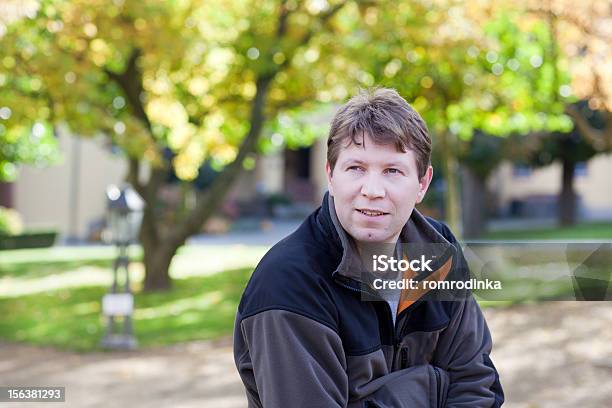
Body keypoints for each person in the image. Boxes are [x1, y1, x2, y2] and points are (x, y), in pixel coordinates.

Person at [233, 88, 504, 407]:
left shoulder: (437, 252)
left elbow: (476, 386)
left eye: (392, 171)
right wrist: (427, 388)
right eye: (356, 168)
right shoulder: (288, 284)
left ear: (422, 184)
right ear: (331, 176)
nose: (372, 190)